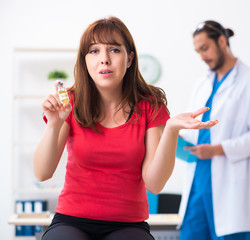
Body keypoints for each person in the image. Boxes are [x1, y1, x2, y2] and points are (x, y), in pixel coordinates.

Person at [33, 16, 218, 240]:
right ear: (84, 61)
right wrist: (54, 124)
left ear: (129, 58)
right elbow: (42, 173)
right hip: (71, 220)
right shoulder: (70, 102)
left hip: (127, 225)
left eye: (114, 50)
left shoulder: (150, 105)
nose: (104, 59)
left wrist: (171, 130)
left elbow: (155, 183)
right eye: (94, 51)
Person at [178, 20, 250, 240]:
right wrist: (174, 135)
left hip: (230, 188)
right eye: (197, 51)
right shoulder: (201, 84)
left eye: (205, 48)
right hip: (197, 184)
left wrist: (217, 149)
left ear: (222, 41)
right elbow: (195, 129)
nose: (202, 56)